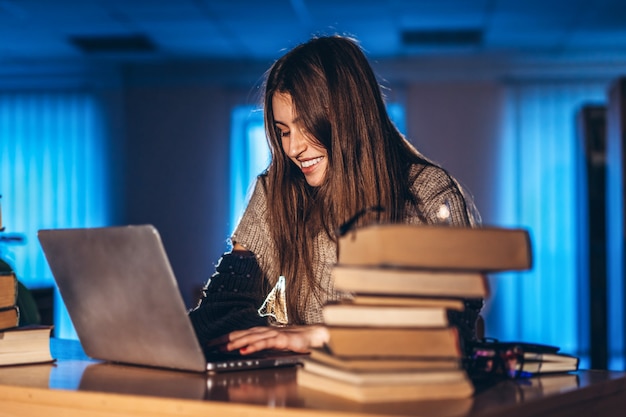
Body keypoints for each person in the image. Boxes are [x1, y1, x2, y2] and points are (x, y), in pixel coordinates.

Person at [188, 34, 481, 357]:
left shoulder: (426, 193)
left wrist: (326, 335)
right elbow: (218, 313)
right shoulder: (277, 189)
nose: (293, 148)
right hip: (304, 393)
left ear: (349, 116)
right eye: (283, 131)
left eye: (305, 126)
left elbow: (453, 326)